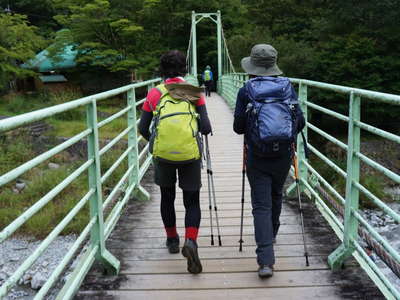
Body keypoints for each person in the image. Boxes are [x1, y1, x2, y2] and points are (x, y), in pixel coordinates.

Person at [233, 44, 305, 278]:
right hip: (284, 154)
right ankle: (272, 232)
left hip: (257, 155)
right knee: (276, 195)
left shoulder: (246, 90)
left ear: (252, 67)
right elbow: (300, 123)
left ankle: (266, 261)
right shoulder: (287, 87)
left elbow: (237, 127)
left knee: (260, 206)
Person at [139, 50, 212, 274]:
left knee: (167, 197)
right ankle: (191, 240)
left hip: (163, 155)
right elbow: (206, 127)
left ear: (162, 70)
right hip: (189, 154)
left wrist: (157, 140)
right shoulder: (192, 91)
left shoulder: (154, 93)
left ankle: (172, 240)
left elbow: (142, 128)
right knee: (192, 200)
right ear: (185, 69)